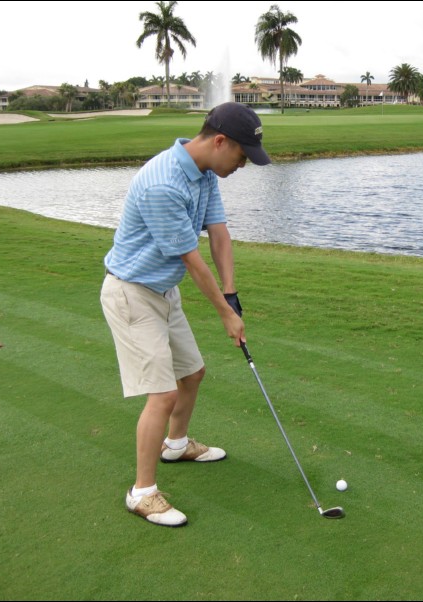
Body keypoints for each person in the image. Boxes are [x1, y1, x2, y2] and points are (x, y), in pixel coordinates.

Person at [100, 102, 271, 527]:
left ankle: (176, 444)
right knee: (163, 394)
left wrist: (232, 297)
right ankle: (142, 493)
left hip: (162, 289)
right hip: (132, 293)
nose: (243, 164)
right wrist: (225, 317)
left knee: (191, 374)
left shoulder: (206, 173)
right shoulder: (163, 183)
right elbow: (193, 261)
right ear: (219, 141)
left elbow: (219, 235)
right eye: (242, 155)